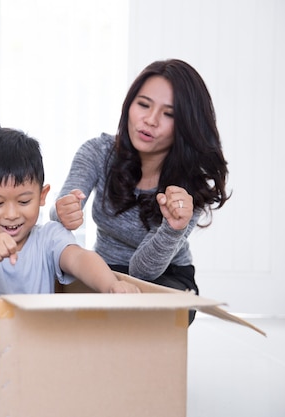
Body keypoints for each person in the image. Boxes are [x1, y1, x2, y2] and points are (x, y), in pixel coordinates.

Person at [51, 59, 230, 323]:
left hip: (166, 277)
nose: (150, 120)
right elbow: (58, 217)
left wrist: (172, 228)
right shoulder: (97, 152)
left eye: (168, 114)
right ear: (129, 105)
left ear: (186, 125)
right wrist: (63, 212)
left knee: (142, 317)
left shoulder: (189, 189)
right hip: (105, 269)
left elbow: (142, 271)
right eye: (143, 105)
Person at [0, 124, 140, 296]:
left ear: (42, 196)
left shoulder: (49, 238)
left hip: (38, 331)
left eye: (24, 201)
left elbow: (79, 258)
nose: (11, 215)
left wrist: (110, 285)